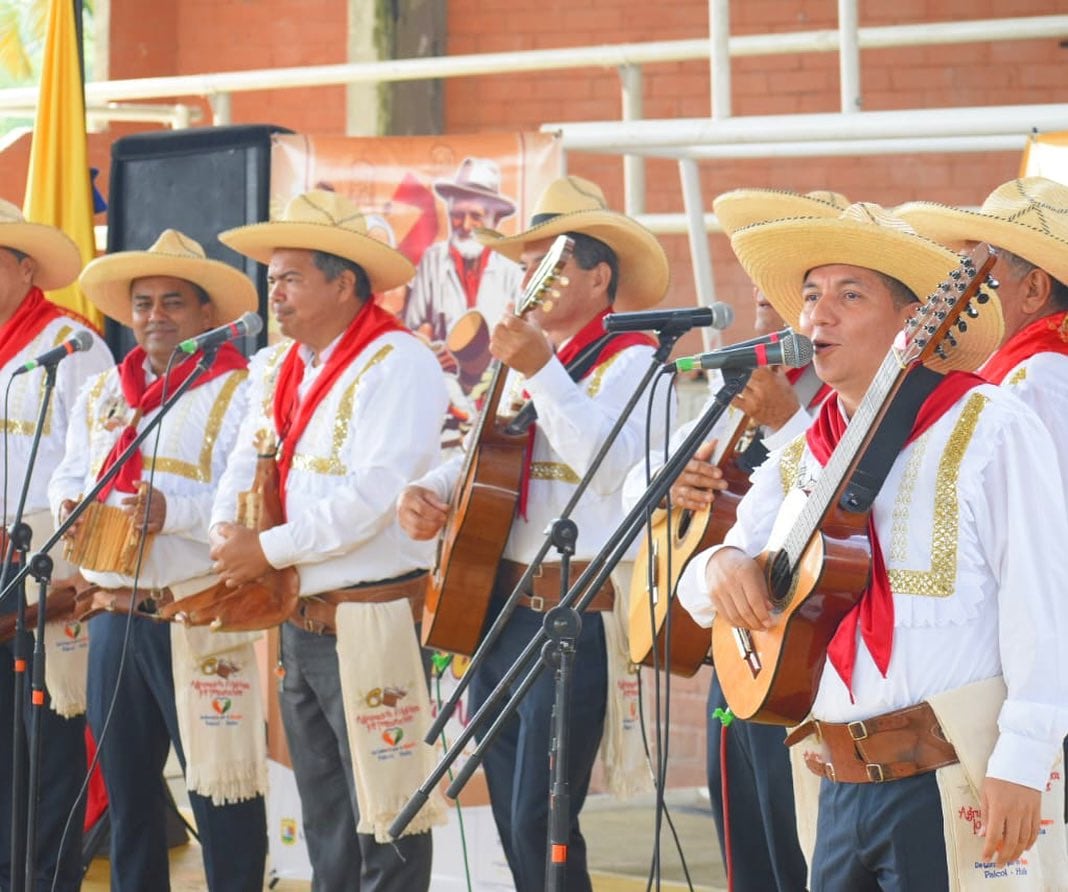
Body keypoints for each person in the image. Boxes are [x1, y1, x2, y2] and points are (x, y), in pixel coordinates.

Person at [678, 202, 1068, 888]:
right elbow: (700, 587)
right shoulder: (805, 454)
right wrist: (723, 564)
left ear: (915, 321)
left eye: (848, 295)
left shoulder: (988, 425)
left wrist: (1023, 760)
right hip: (834, 782)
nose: (817, 317)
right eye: (810, 296)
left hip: (950, 778)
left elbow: (1044, 599)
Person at [398, 175, 671, 892]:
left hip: (567, 612)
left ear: (598, 275)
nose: (530, 278)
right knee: (516, 812)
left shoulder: (636, 361)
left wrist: (541, 371)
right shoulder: (535, 362)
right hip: (498, 604)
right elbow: (483, 451)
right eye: (526, 265)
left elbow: (609, 469)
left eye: (549, 263)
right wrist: (431, 490)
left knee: (542, 818)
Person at [210, 189, 448, 891]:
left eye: (290, 278)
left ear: (343, 283)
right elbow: (243, 458)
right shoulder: (284, 365)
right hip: (302, 616)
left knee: (388, 813)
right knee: (326, 819)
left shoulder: (398, 362)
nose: (273, 293)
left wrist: (268, 548)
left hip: (370, 617)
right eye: (272, 277)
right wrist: (230, 529)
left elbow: (374, 495)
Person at [48, 229, 267, 891]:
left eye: (174, 301)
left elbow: (250, 500)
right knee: (128, 796)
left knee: (221, 790)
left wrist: (173, 512)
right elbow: (66, 471)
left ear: (206, 316)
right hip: (114, 616)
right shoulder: (105, 394)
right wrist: (70, 506)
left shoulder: (240, 390)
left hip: (197, 613)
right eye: (143, 303)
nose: (156, 316)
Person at [0, 199, 112, 891]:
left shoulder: (72, 345)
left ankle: (42, 878)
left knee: (49, 738)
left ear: (24, 265)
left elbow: (96, 461)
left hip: (49, 553)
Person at [404, 156, 523, 347]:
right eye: (457, 215)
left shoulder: (512, 267)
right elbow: (412, 328)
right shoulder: (432, 260)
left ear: (495, 219)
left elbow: (524, 332)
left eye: (476, 216)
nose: (466, 225)